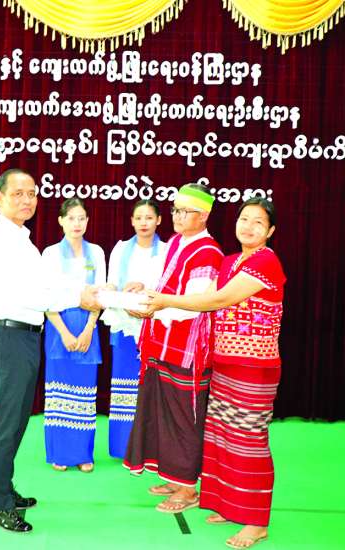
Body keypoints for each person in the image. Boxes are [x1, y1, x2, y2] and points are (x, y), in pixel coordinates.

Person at [142, 197, 285, 549]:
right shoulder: (230, 261)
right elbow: (199, 297)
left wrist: (164, 301)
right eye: (244, 219)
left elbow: (217, 300)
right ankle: (228, 505)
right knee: (221, 436)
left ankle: (256, 522)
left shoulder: (266, 261)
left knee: (249, 440)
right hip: (224, 363)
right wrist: (147, 301)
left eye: (258, 222)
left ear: (270, 231)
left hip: (255, 368)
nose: (248, 226)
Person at [0, 168, 100, 533]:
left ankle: (4, 490)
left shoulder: (22, 241)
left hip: (24, 337)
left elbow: (45, 283)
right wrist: (78, 296)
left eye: (31, 193)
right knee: (5, 423)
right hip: (7, 337)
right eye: (18, 193)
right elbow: (28, 294)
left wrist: (83, 291)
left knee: (15, 422)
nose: (27, 200)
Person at [122, 183, 223, 514]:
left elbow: (193, 305)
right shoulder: (178, 242)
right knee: (163, 414)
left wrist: (152, 308)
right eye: (175, 210)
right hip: (162, 343)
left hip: (187, 350)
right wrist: (144, 291)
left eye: (185, 211)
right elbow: (165, 286)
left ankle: (188, 488)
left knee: (184, 420)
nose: (177, 217)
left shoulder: (208, 252)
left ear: (204, 215)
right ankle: (174, 477)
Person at [41, 198, 106, 473]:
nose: (77, 223)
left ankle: (83, 454)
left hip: (88, 326)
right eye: (71, 218)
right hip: (59, 327)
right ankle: (60, 453)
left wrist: (89, 328)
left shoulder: (97, 252)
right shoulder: (49, 254)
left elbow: (100, 294)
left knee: (84, 392)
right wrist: (65, 333)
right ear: (61, 221)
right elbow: (45, 297)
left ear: (88, 221)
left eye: (81, 218)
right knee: (60, 391)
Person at [101, 199, 165, 458]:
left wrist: (145, 289)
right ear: (131, 221)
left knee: (150, 387)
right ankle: (123, 447)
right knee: (124, 386)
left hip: (154, 326)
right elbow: (111, 284)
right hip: (124, 325)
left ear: (158, 220)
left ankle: (149, 447)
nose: (143, 223)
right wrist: (118, 295)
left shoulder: (167, 251)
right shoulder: (120, 249)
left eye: (149, 217)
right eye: (138, 218)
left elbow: (168, 288)